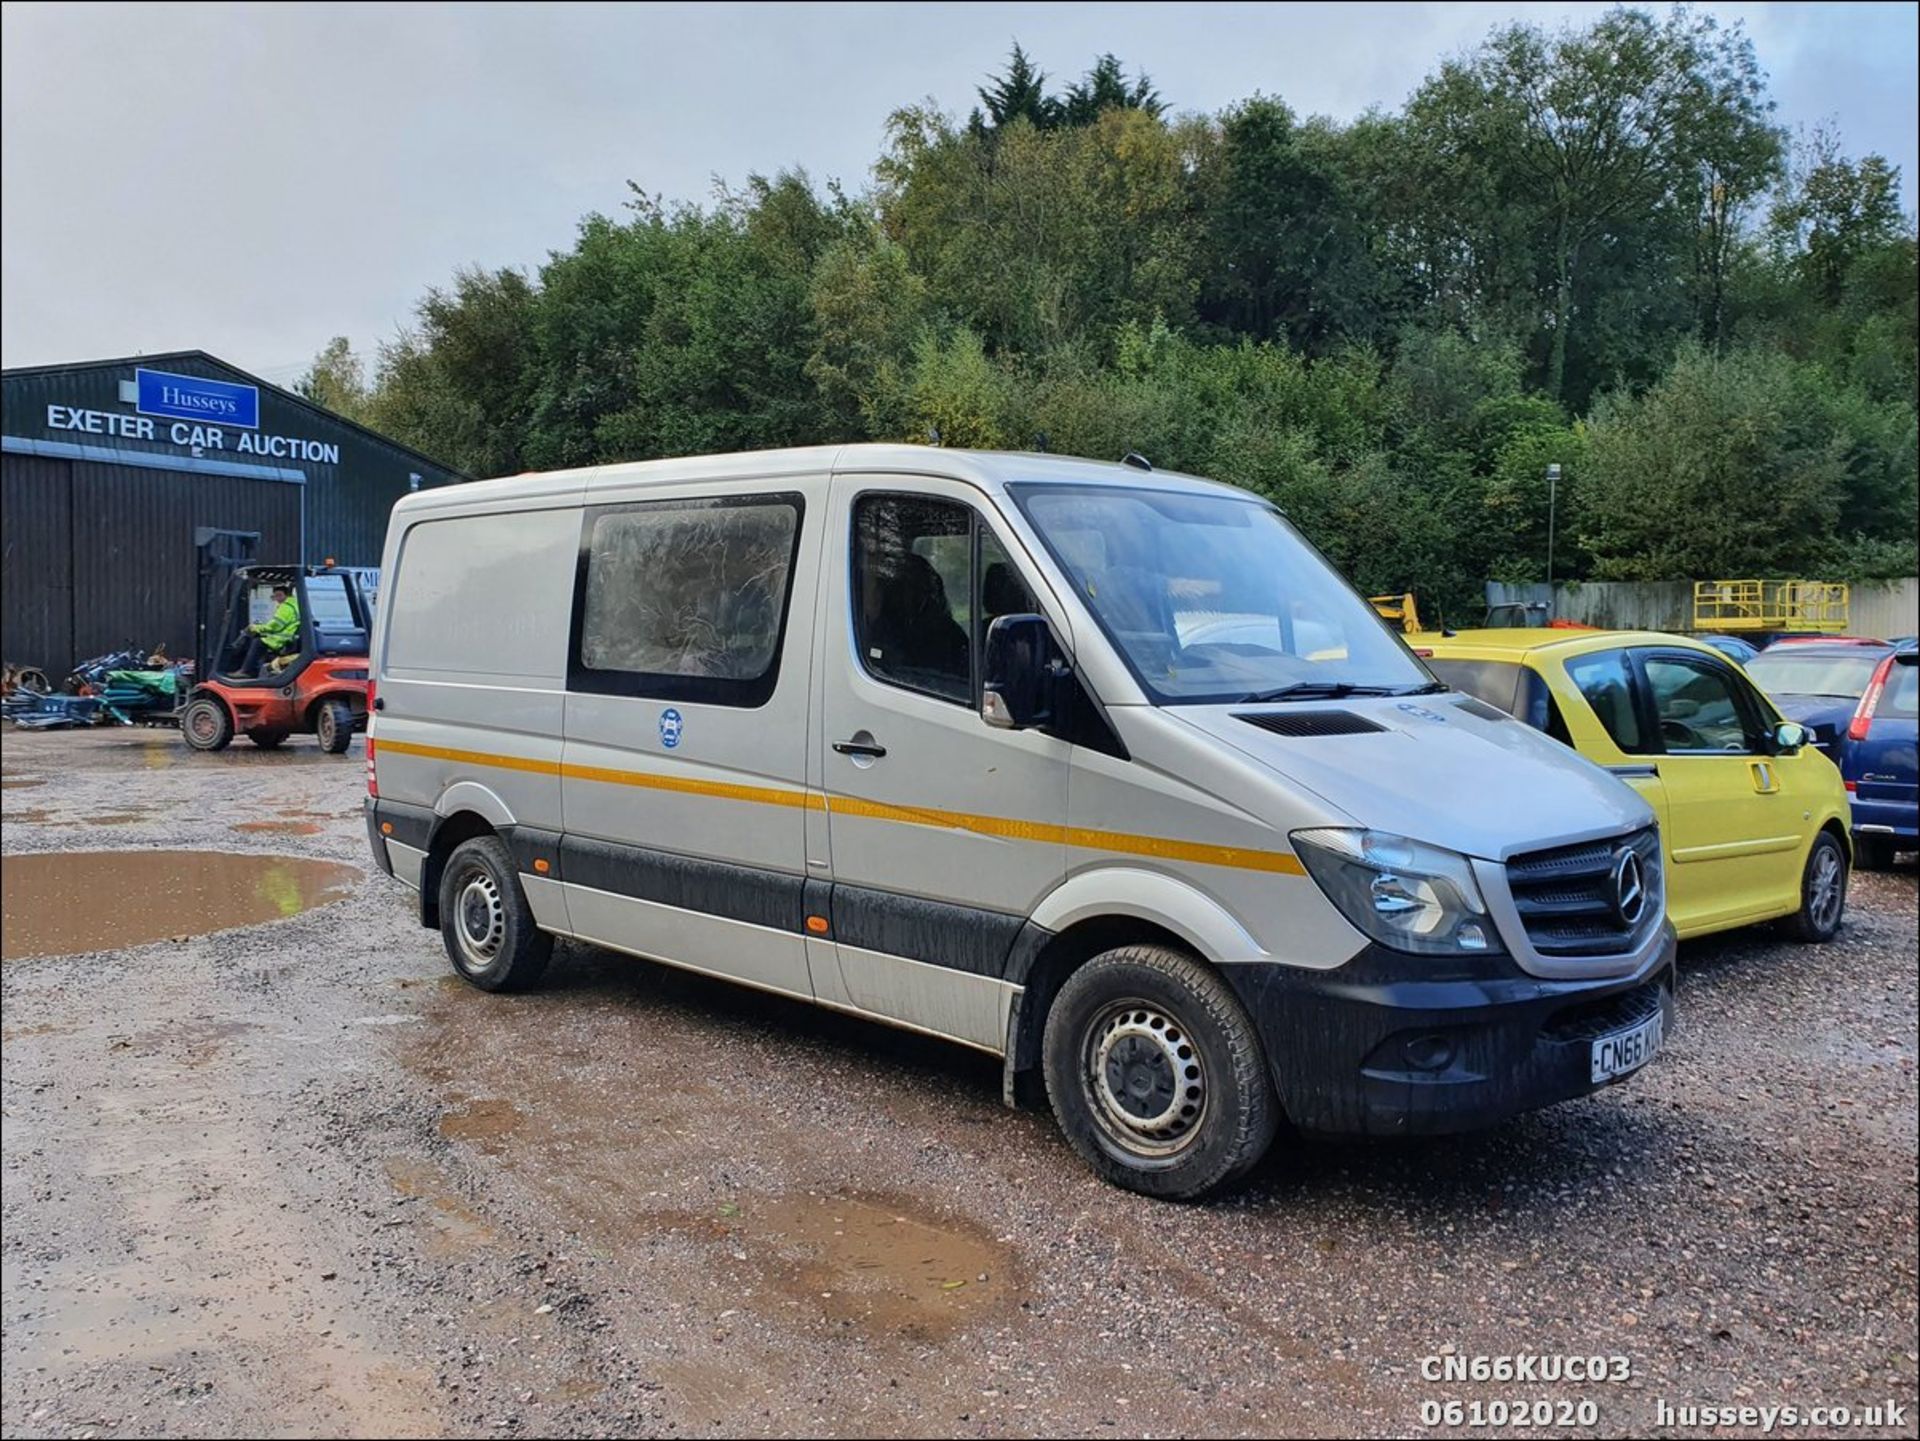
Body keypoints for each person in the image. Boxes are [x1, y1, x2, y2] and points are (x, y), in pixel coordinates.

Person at [237, 584, 300, 677]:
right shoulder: (295, 604)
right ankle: (256, 671)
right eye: (276, 596)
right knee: (260, 639)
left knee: (257, 642)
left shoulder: (286, 607)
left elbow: (274, 626)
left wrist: (255, 628)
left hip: (282, 639)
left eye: (279, 595)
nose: (277, 598)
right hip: (288, 636)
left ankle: (245, 671)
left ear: (287, 595)